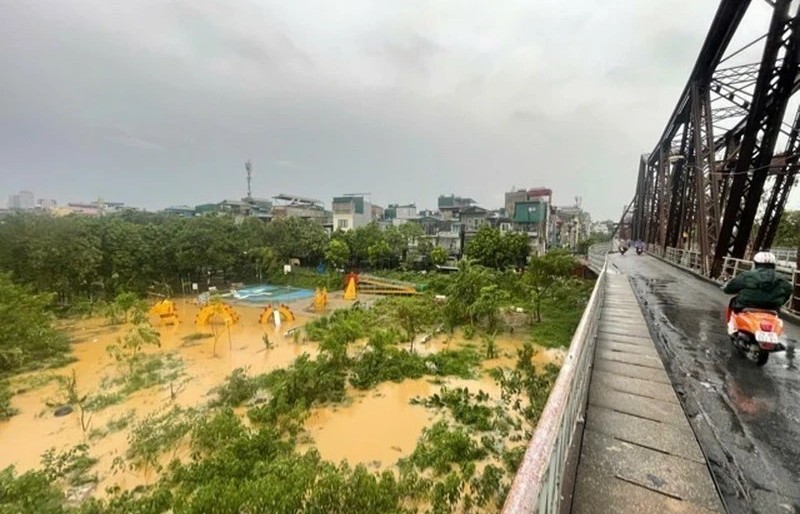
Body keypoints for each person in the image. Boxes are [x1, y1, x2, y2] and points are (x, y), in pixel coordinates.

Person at [723, 251, 793, 321]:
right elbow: (788, 292)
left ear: (756, 263)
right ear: (773, 265)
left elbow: (730, 288)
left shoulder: (747, 275)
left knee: (733, 301)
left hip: (746, 306)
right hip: (772, 308)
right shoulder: (782, 279)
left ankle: (731, 325)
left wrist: (726, 289)